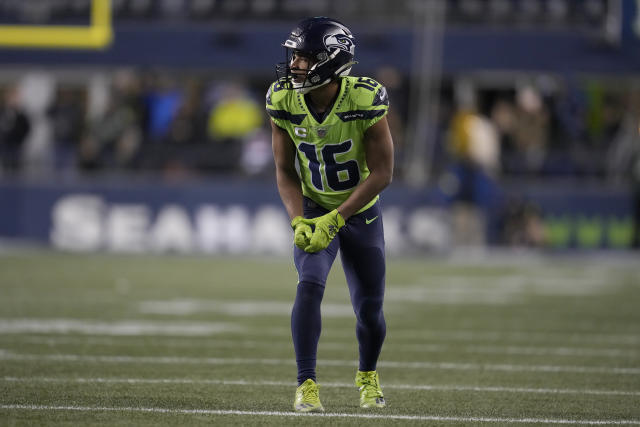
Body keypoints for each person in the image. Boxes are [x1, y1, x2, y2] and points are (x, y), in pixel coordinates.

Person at [266, 17, 394, 412]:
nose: (294, 66)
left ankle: (368, 376)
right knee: (310, 283)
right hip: (313, 203)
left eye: (304, 58)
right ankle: (306, 384)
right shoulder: (283, 99)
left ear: (331, 61)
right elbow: (285, 171)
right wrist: (298, 220)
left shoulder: (364, 99)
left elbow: (384, 173)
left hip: (359, 211)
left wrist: (337, 218)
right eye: (294, 57)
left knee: (369, 309)